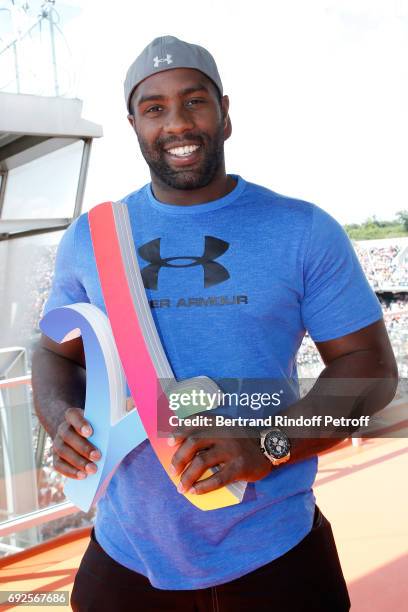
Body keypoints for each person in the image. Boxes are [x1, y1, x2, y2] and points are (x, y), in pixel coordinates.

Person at [32, 35, 398, 611]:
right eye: (154, 108)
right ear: (134, 125)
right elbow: (55, 353)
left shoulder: (301, 228)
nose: (177, 123)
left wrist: (267, 445)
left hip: (275, 552)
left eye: (195, 101)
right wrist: (59, 420)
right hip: (126, 557)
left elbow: (371, 371)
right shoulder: (91, 238)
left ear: (225, 114)